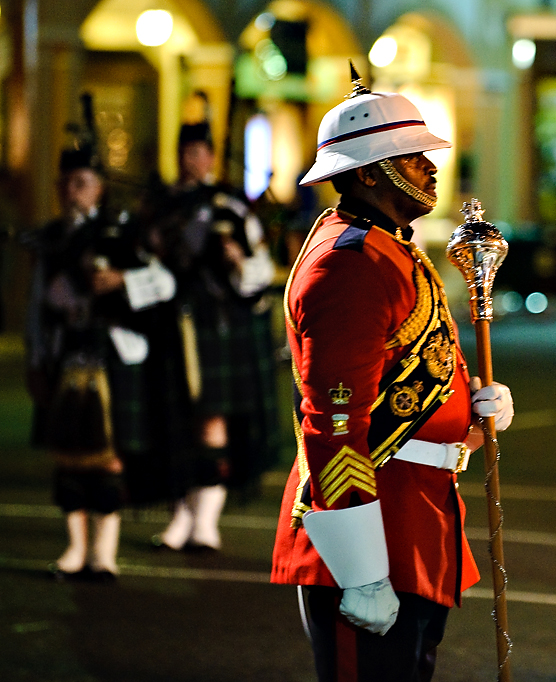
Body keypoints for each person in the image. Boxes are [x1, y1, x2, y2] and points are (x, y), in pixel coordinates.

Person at [270, 71, 514, 682]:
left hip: (417, 517)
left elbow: (413, 369)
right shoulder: (347, 266)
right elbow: (333, 421)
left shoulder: (390, 246)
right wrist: (362, 570)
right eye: (411, 155)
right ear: (366, 172)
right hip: (372, 530)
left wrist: (473, 412)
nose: (431, 166)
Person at [24, 98, 177, 581]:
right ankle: (74, 550)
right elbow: (35, 310)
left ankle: (103, 554)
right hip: (65, 355)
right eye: (67, 182)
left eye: (83, 183)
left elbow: (166, 284)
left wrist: (122, 283)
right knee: (67, 457)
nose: (74, 191)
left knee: (109, 459)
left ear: (100, 188)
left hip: (114, 355)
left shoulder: (121, 237)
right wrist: (35, 360)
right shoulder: (50, 240)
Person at [147, 111, 281, 551]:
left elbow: (260, 270)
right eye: (187, 152)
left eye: (201, 152)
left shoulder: (231, 206)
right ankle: (180, 517)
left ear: (211, 156)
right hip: (171, 322)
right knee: (175, 424)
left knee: (212, 421)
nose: (194, 160)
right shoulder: (161, 206)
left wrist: (238, 262)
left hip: (218, 325)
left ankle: (206, 521)